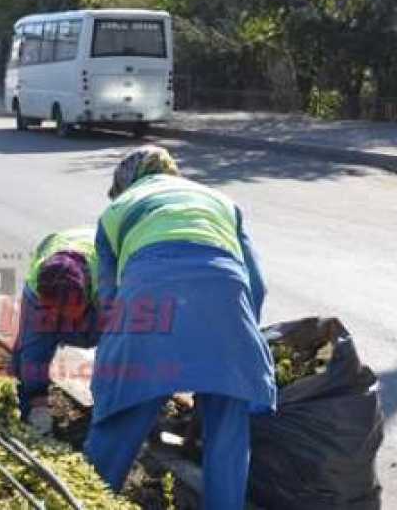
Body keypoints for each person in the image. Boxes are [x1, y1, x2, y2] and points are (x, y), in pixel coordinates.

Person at [86, 145, 275, 507]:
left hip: (149, 308)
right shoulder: (222, 202)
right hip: (226, 304)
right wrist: (237, 343)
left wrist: (117, 363)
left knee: (120, 420)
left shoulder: (115, 212)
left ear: (125, 183)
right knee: (228, 431)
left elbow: (108, 301)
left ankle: (87, 498)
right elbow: (257, 286)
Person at [10, 228, 100, 435]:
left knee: (114, 346)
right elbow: (34, 350)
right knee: (28, 348)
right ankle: (21, 408)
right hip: (63, 256)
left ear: (85, 298)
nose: (58, 318)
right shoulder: (37, 289)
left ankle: (103, 416)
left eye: (66, 312)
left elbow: (117, 350)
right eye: (52, 311)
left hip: (97, 270)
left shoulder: (110, 285)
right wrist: (38, 399)